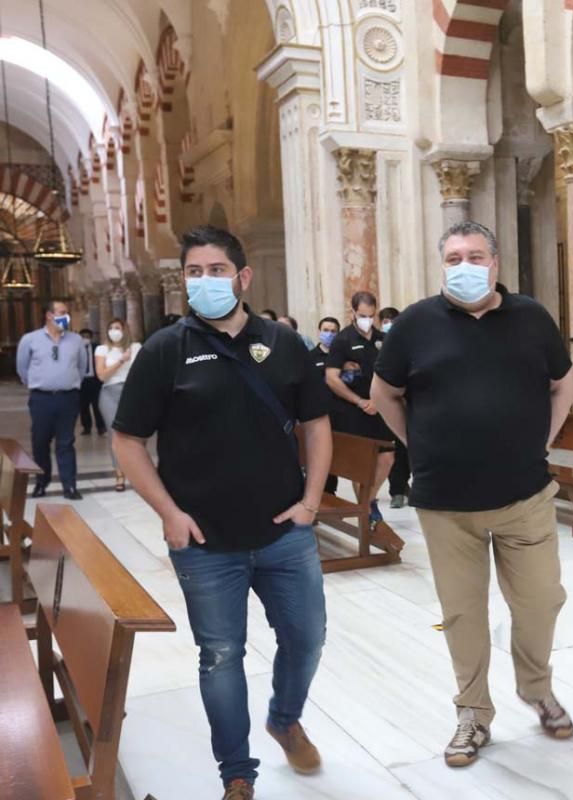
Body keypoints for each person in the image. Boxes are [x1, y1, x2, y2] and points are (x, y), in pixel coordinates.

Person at [112, 225, 333, 800]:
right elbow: (127, 440)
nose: (204, 281)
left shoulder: (284, 344)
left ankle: (285, 720)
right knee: (220, 655)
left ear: (243, 276)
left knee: (307, 638)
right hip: (206, 543)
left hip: (285, 534)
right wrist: (168, 512)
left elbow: (316, 424)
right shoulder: (167, 349)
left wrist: (312, 501)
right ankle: (237, 772)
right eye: (193, 272)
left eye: (215, 270)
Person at [371, 221, 573, 768]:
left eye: (476, 255)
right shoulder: (415, 323)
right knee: (462, 613)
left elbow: (564, 384)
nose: (465, 265)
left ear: (496, 263)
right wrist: (420, 443)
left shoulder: (531, 318)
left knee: (539, 601)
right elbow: (384, 393)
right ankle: (473, 714)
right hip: (446, 503)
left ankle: (536, 689)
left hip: (525, 495)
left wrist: (545, 440)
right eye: (455, 256)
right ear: (443, 264)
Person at [323, 291, 393, 525]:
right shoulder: (343, 340)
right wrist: (360, 401)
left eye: (371, 315)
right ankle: (368, 510)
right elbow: (332, 378)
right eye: (362, 315)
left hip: (381, 406)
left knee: (386, 458)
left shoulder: (383, 339)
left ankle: (366, 503)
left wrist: (381, 400)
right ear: (352, 312)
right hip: (353, 408)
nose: (366, 320)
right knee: (362, 462)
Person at [16, 300, 88, 500]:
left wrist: (68, 382)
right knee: (40, 441)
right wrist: (38, 383)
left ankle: (69, 485)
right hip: (42, 399)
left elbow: (82, 368)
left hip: (68, 398)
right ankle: (41, 482)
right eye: (62, 312)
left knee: (66, 442)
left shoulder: (76, 341)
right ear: (49, 315)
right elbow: (22, 368)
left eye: (67, 313)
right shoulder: (30, 340)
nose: (66, 316)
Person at [94, 318, 141, 492]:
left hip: (130, 392)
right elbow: (101, 375)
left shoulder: (136, 347)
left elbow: (141, 372)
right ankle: (119, 474)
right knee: (115, 435)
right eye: (111, 328)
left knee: (134, 434)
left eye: (117, 328)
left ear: (125, 330)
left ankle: (137, 474)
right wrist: (122, 360)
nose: (114, 331)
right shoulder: (102, 349)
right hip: (109, 392)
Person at [377, 306, 410, 509]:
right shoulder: (377, 342)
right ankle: (397, 490)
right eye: (386, 320)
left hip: (406, 402)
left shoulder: (404, 342)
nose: (389, 324)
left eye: (393, 320)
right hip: (385, 404)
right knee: (393, 451)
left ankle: (405, 487)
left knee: (406, 450)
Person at [310, 316, 341, 496]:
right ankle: (325, 493)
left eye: (333, 331)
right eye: (326, 330)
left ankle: (331, 492)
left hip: (340, 412)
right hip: (319, 412)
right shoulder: (310, 357)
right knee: (321, 454)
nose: (329, 334)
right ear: (319, 331)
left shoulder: (342, 356)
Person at [78, 328, 106, 435]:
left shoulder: (97, 348)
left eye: (87, 336)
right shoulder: (77, 350)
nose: (85, 339)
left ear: (91, 337)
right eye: (83, 336)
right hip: (82, 381)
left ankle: (101, 427)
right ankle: (86, 427)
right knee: (83, 406)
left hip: (95, 381)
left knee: (97, 405)